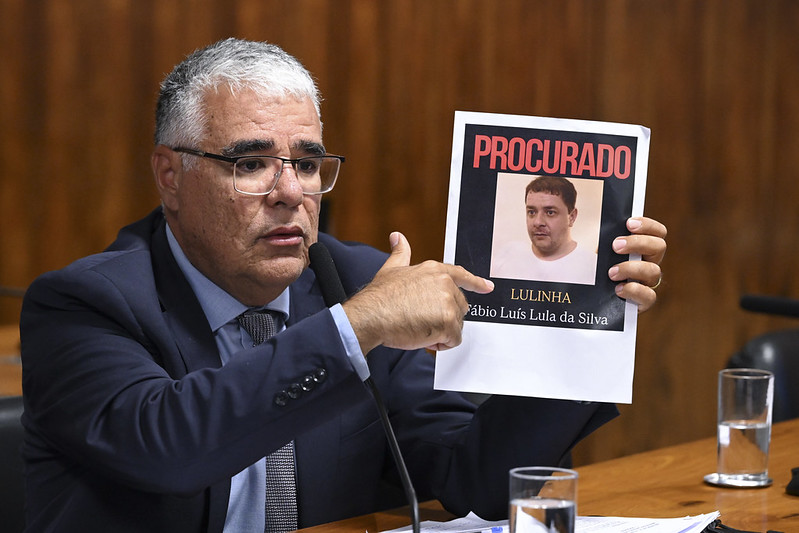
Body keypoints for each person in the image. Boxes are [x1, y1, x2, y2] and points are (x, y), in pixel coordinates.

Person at [20, 38, 667, 532]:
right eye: (250, 163)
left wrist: (585, 317)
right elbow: (170, 448)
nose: (290, 192)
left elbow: (468, 477)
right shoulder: (84, 305)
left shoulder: (352, 280)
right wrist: (356, 327)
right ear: (170, 176)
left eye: (306, 164)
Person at [491, 176, 598, 284]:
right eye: (532, 212)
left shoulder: (592, 267)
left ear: (572, 217)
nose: (538, 222)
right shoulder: (507, 256)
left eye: (550, 212)